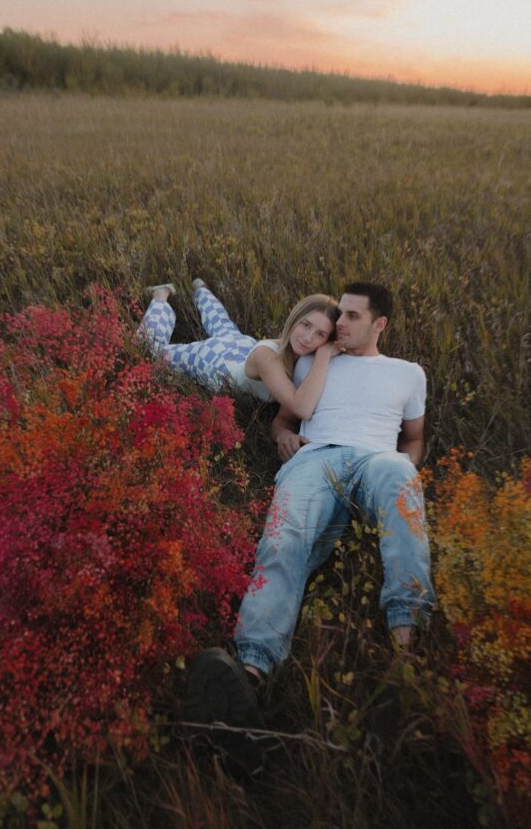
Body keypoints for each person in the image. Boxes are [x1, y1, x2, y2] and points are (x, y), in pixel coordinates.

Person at [186, 282, 436, 773]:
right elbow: (283, 418)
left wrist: (402, 475)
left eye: (352, 317)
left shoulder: (408, 373)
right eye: (337, 314)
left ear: (379, 324)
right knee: (284, 541)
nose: (339, 324)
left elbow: (415, 438)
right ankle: (250, 671)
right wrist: (281, 437)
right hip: (315, 460)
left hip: (378, 460)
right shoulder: (311, 363)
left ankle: (407, 652)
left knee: (400, 480)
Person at [139, 279, 341, 417]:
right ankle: (161, 295)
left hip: (243, 347)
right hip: (215, 364)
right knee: (149, 350)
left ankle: (200, 289)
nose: (308, 338)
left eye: (320, 334)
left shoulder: (298, 352)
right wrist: (324, 354)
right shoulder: (267, 358)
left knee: (222, 326)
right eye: (305, 325)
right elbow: (302, 408)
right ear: (294, 319)